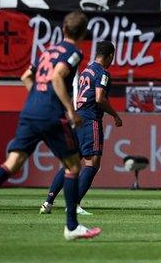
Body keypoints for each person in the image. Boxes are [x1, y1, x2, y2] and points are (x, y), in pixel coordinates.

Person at [0, 11, 101, 241]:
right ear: (82, 33)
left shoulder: (48, 51)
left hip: (30, 111)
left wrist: (38, 97)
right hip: (52, 115)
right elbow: (57, 77)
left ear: (63, 29)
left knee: (13, 162)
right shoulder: (75, 52)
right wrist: (70, 111)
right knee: (72, 166)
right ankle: (71, 226)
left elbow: (25, 76)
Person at [39, 41, 122, 215]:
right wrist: (115, 114)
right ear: (110, 56)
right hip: (91, 120)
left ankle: (48, 202)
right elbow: (99, 98)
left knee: (71, 162)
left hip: (78, 119)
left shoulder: (86, 70)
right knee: (92, 163)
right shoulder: (102, 73)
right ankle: (74, 204)